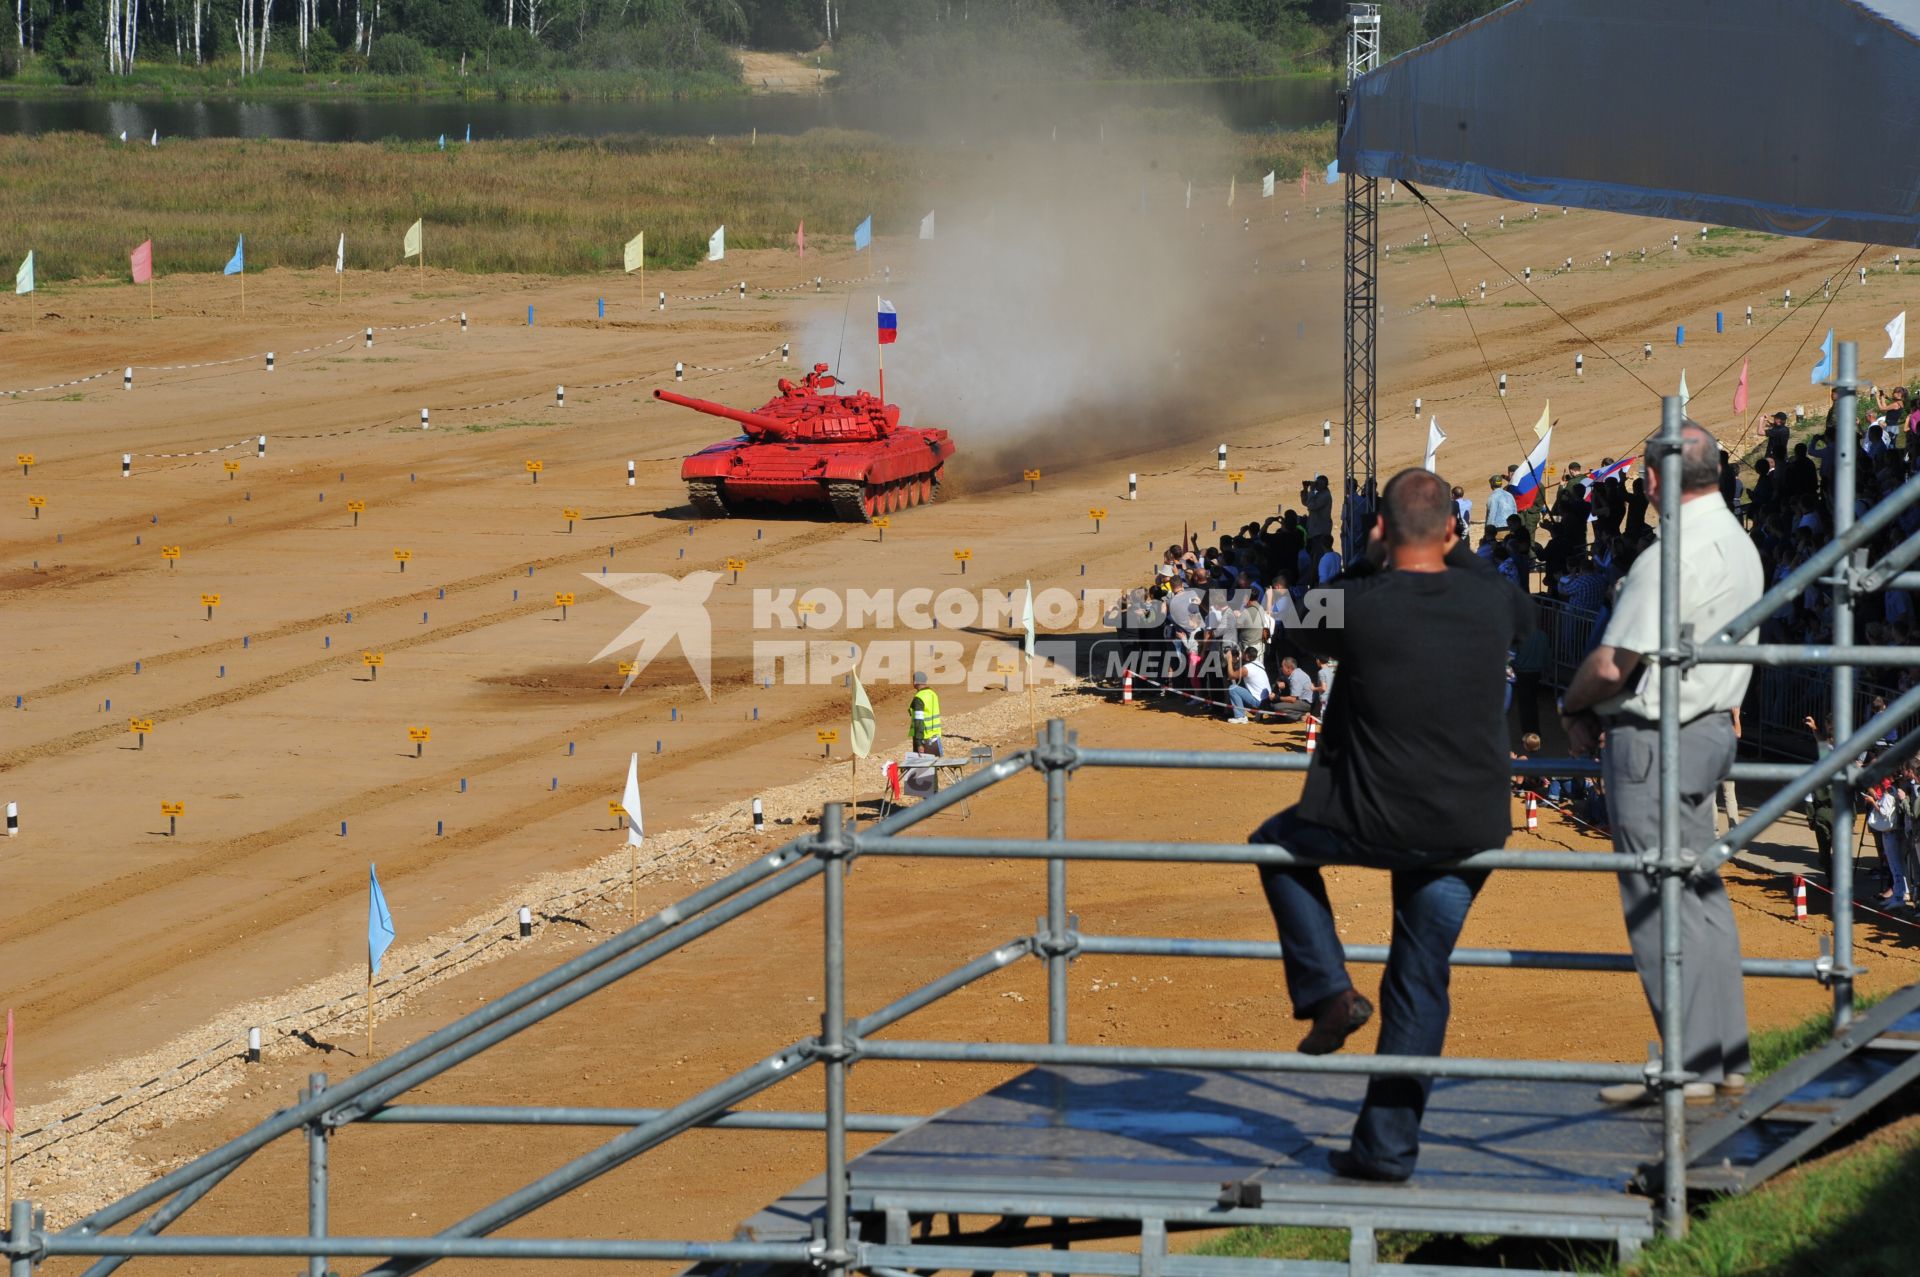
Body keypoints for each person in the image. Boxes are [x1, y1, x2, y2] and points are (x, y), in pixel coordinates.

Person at [1249, 468, 1531, 1182]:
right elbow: (1510, 608)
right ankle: (1385, 1149)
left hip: (1370, 816)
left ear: (1380, 530)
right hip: (1469, 828)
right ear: (1452, 532)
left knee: (1276, 844)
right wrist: (1454, 548)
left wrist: (1369, 560)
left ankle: (1328, 990)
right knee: (1419, 978)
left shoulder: (1359, 605)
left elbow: (1296, 627)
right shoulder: (1492, 597)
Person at [1559, 420, 1764, 1105]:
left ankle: (1686, 1064)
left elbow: (1614, 660)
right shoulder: (1738, 542)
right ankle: (1721, 1058)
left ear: (1652, 481)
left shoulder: (1670, 553)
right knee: (1701, 896)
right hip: (1707, 731)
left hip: (1656, 737)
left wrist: (1571, 705)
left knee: (1657, 901)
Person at [1224, 644, 1273, 724]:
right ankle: (1257, 713)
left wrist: (1229, 660)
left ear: (1246, 655)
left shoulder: (1246, 669)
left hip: (1258, 703)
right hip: (1267, 702)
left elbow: (1231, 676)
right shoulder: (1260, 664)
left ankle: (1240, 717)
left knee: (1233, 688)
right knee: (1242, 687)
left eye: (1243, 653)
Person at [1269, 655, 1316, 722]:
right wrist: (1278, 682)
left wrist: (1277, 697)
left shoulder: (1295, 677)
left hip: (1305, 703)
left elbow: (1292, 699)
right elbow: (1281, 678)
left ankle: (1302, 716)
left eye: (1283, 667)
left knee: (1277, 707)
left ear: (1288, 668)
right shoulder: (1296, 672)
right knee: (1276, 706)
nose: (1281, 668)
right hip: (1302, 701)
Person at [908, 671, 943, 757]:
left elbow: (918, 722)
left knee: (922, 767)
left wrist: (919, 743)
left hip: (924, 739)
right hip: (935, 737)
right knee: (932, 766)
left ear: (915, 682)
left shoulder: (919, 698)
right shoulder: (933, 694)